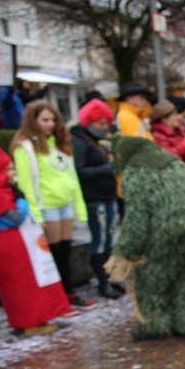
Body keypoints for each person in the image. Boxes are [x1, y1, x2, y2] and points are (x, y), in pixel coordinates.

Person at [105, 136, 185, 340]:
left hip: (168, 227)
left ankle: (152, 326)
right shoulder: (172, 161)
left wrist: (126, 249)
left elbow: (137, 215)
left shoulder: (136, 170)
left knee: (152, 278)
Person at [0, 129, 71, 335]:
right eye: (10, 170)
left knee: (28, 283)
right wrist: (23, 203)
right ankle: (29, 322)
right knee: (22, 285)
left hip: (19, 246)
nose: (14, 174)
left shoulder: (3, 190)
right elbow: (13, 217)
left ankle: (36, 318)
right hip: (13, 250)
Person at [11, 100, 92, 308]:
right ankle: (58, 297)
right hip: (47, 206)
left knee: (65, 250)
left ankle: (69, 293)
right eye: (44, 120)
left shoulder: (60, 144)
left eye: (53, 120)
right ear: (33, 121)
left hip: (66, 204)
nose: (50, 124)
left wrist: (79, 207)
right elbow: (26, 183)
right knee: (53, 253)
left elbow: (72, 177)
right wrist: (36, 215)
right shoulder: (25, 148)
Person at [71, 98, 123, 299]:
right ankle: (103, 281)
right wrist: (108, 169)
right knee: (100, 241)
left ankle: (111, 277)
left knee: (108, 239)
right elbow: (80, 171)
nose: (104, 128)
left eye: (105, 123)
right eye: (100, 123)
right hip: (95, 198)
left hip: (107, 195)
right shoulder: (81, 143)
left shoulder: (96, 142)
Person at [151, 100, 185, 190]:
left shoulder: (180, 130)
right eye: (173, 115)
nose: (177, 117)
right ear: (164, 118)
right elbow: (167, 156)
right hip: (180, 183)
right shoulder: (159, 135)